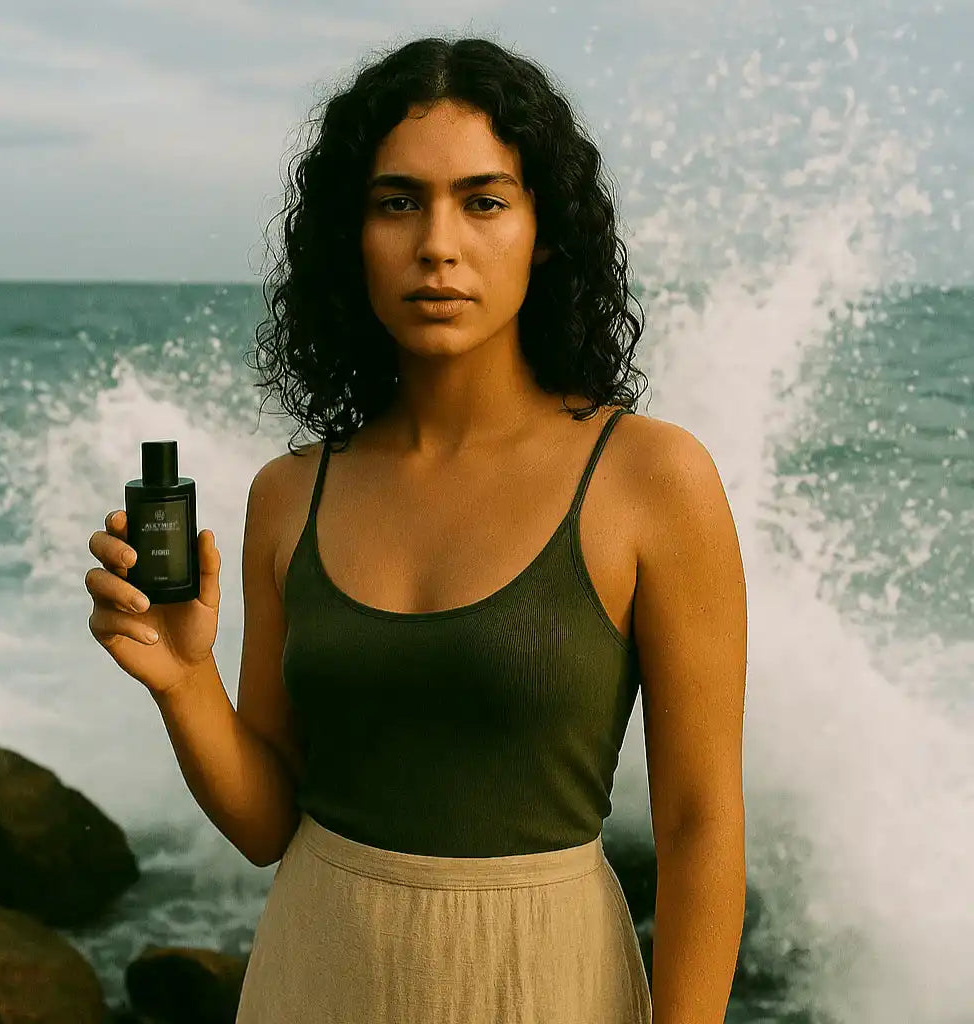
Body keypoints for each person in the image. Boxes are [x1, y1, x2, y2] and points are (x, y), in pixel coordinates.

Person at [86, 34, 747, 1024]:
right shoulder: (289, 492)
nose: (438, 243)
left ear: (544, 230)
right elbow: (270, 823)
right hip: (315, 969)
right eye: (398, 202)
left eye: (484, 201)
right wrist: (185, 680)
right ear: (352, 237)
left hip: (542, 979)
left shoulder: (652, 477)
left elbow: (700, 825)